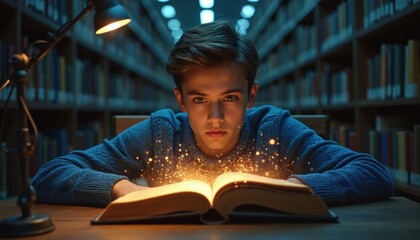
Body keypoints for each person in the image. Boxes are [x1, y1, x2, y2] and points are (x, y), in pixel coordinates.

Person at [32, 20, 394, 207]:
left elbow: (373, 173)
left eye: (231, 98)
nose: (216, 117)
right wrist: (124, 189)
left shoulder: (276, 128)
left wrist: (289, 189)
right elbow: (50, 175)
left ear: (251, 96)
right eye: (200, 100)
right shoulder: (160, 133)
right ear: (181, 100)